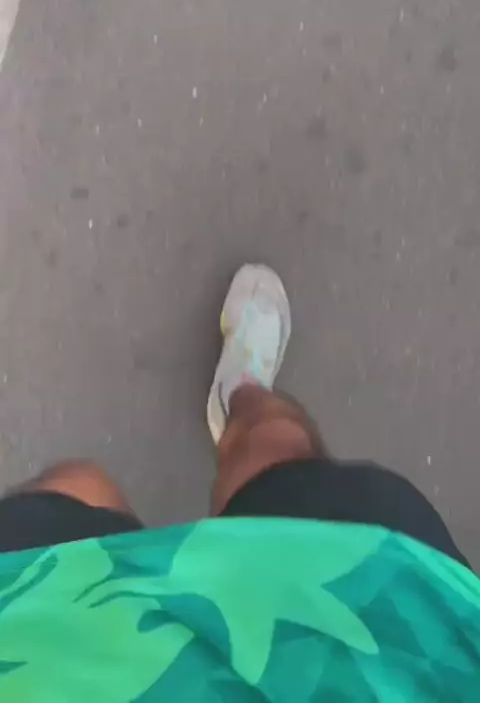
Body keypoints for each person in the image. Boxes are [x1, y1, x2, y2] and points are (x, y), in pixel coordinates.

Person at [0, 265, 478, 701]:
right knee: (274, 455)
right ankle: (242, 393)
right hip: (392, 669)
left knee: (74, 492)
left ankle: (246, 411)